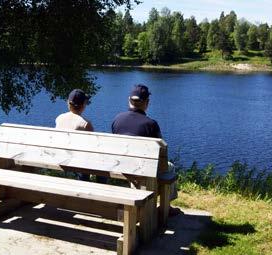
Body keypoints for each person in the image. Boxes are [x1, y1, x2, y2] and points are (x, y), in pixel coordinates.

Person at [112, 84, 181, 216]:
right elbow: (161, 150)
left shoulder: (117, 119)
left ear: (129, 100)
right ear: (147, 102)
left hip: (122, 166)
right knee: (169, 167)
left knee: (140, 170)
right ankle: (166, 207)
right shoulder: (150, 124)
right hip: (143, 168)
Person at [55, 89, 106, 183]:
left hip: (59, 158)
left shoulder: (59, 118)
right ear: (83, 105)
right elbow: (94, 148)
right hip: (77, 163)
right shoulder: (85, 123)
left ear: (68, 103)